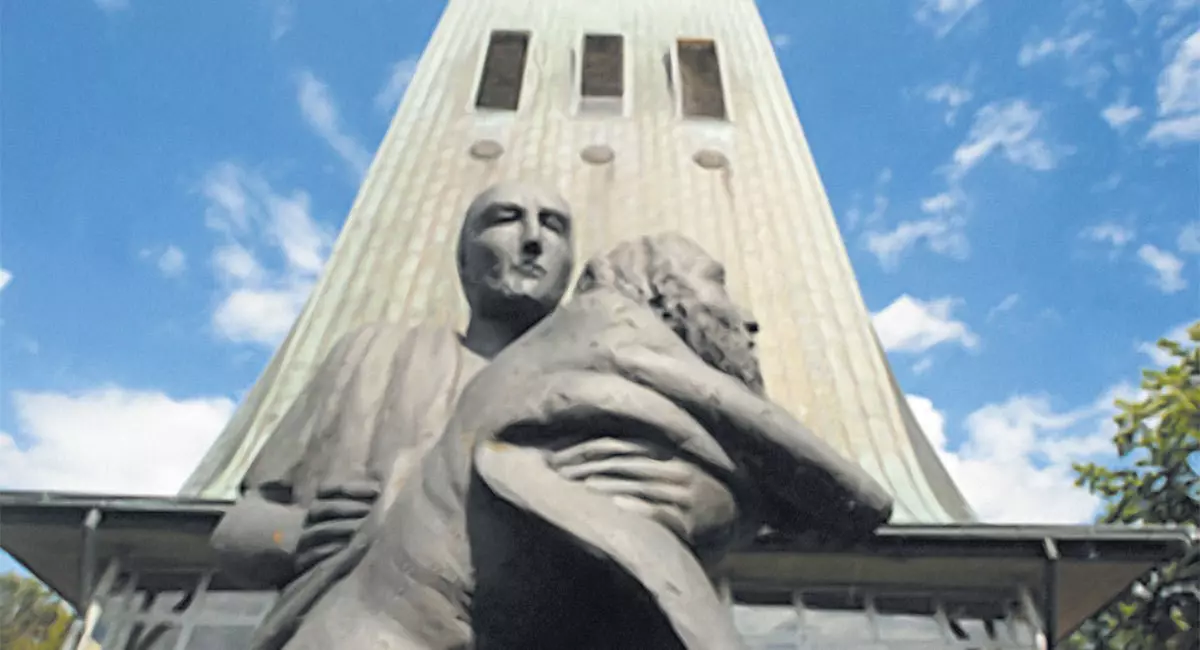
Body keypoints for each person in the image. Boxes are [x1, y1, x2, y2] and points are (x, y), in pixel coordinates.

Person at [210, 182, 739, 649]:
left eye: (553, 227)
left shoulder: (604, 397)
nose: (533, 239)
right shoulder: (374, 357)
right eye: (506, 219)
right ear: (464, 260)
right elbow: (238, 531)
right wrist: (298, 535)